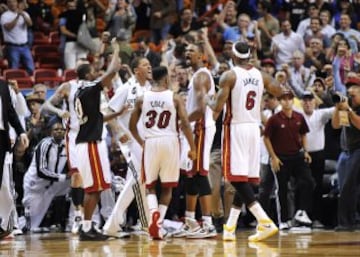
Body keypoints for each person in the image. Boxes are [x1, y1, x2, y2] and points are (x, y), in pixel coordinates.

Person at [206, 41, 282, 242]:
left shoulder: (229, 75)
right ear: (249, 55)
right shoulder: (261, 75)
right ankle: (229, 228)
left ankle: (263, 220)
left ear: (233, 56)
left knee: (237, 180)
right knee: (245, 180)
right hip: (254, 128)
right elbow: (281, 90)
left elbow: (216, 106)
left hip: (236, 128)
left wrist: (206, 97)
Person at [129, 66, 196, 239]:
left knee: (150, 187)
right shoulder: (175, 98)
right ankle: (158, 224)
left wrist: (141, 142)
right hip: (171, 142)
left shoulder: (141, 99)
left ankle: (154, 217)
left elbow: (131, 126)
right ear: (166, 79)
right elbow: (186, 124)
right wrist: (193, 148)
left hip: (151, 141)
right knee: (167, 188)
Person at [74, 39, 121, 241]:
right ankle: (85, 228)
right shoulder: (88, 88)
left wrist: (119, 112)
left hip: (90, 142)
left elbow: (97, 117)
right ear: (87, 75)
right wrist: (116, 50)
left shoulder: (82, 92)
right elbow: (111, 73)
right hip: (90, 144)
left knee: (97, 187)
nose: (96, 73)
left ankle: (88, 226)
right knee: (93, 188)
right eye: (93, 71)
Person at [103, 56, 152, 236]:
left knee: (140, 182)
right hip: (130, 142)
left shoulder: (149, 88)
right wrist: (118, 132)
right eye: (145, 65)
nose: (149, 67)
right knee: (138, 179)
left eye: (149, 64)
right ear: (136, 70)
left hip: (145, 141)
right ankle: (112, 224)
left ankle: (146, 224)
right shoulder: (126, 89)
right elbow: (109, 111)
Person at [173, 42, 217, 239]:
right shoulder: (197, 76)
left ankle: (208, 223)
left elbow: (200, 111)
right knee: (190, 175)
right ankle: (191, 221)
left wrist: (181, 121)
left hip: (199, 128)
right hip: (196, 128)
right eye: (186, 50)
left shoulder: (200, 77)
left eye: (192, 50)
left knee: (199, 174)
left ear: (201, 56)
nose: (187, 53)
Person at [263, 90, 315, 230]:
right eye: (284, 99)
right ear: (280, 102)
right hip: (281, 157)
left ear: (293, 101)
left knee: (309, 181)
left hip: (297, 155)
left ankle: (301, 211)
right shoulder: (274, 119)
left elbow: (303, 133)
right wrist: (273, 157)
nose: (287, 101)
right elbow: (266, 137)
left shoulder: (299, 117)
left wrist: (306, 151)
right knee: (282, 189)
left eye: (289, 99)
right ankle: (283, 220)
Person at [22, 120, 69, 231]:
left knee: (78, 181)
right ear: (50, 132)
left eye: (62, 129)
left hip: (50, 186)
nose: (59, 132)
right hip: (35, 186)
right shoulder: (44, 144)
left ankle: (73, 221)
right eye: (56, 129)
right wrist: (63, 177)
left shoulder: (67, 146)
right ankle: (11, 225)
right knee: (30, 226)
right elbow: (41, 171)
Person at [0, 79, 29, 239]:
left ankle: (6, 224)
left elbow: (11, 112)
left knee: (3, 184)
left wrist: (21, 132)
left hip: (2, 139)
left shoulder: (3, 86)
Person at [331, 77, 360, 231]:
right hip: (346, 152)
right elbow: (336, 125)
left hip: (358, 149)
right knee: (344, 188)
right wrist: (338, 107)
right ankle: (347, 221)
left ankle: (348, 222)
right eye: (348, 90)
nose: (350, 93)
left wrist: (348, 110)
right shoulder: (347, 107)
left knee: (350, 187)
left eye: (354, 90)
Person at [0, 0, 35, 74]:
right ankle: (13, 85)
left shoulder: (24, 13)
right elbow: (8, 27)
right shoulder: (5, 16)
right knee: (13, 70)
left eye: (14, 2)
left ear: (17, 3)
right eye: (10, 2)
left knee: (31, 68)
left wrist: (23, 15)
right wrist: (17, 16)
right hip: (12, 47)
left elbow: (30, 24)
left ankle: (28, 84)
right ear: (7, 4)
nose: (12, 4)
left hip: (25, 46)